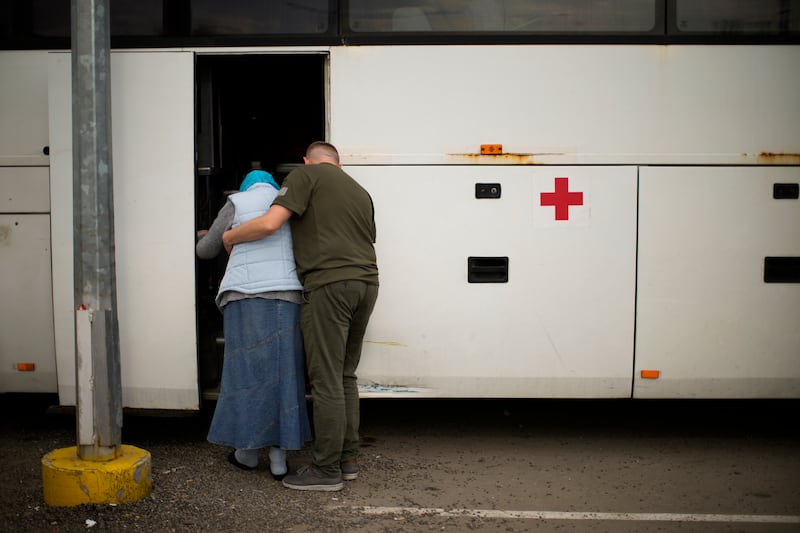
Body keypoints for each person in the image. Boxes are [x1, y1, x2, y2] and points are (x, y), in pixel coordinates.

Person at [222, 142, 379, 492]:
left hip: (329, 285)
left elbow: (269, 224)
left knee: (324, 380)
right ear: (338, 163)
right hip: (366, 283)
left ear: (307, 160)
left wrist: (229, 236)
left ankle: (326, 471)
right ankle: (347, 458)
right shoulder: (360, 191)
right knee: (344, 376)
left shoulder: (305, 175)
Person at [196, 169, 312, 480]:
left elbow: (205, 251)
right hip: (286, 296)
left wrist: (212, 235)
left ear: (246, 185)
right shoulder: (286, 202)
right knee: (284, 375)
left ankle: (246, 453)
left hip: (243, 297)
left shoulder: (236, 202)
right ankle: (279, 458)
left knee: (245, 375)